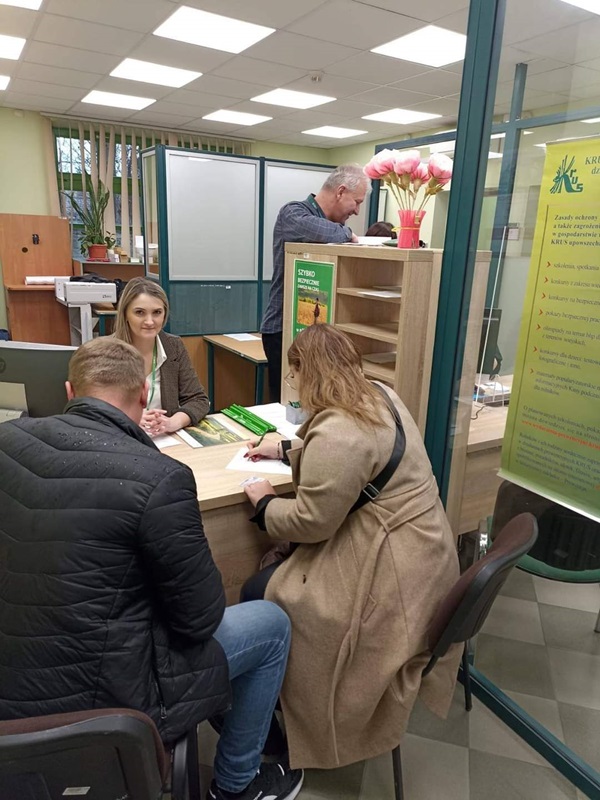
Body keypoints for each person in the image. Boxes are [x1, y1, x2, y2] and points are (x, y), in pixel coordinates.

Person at [0, 338, 303, 800]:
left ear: (69, 391)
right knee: (271, 623)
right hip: (111, 701)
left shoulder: (7, 441)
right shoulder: (160, 476)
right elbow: (200, 619)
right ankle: (236, 785)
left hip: (13, 692)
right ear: (144, 394)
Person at [241, 325, 462, 771]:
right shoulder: (380, 395)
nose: (293, 382)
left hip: (393, 583)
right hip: (429, 558)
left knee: (260, 592)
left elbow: (312, 522)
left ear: (307, 372)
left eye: (294, 373)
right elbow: (357, 459)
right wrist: (286, 449)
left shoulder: (340, 431)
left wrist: (264, 504)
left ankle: (273, 718)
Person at [261, 164, 370, 401]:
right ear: (340, 191)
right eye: (357, 202)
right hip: (283, 329)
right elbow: (319, 230)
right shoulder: (293, 213)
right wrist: (348, 234)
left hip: (317, 334)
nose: (357, 211)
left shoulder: (331, 226)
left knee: (318, 401)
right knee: (288, 402)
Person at [114, 276, 209, 436]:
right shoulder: (105, 351)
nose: (149, 321)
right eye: (139, 312)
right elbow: (92, 408)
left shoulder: (173, 346)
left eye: (157, 312)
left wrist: (172, 422)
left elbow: (198, 400)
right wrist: (129, 418)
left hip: (163, 439)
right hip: (121, 437)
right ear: (125, 314)